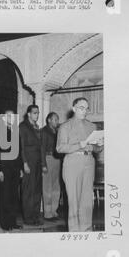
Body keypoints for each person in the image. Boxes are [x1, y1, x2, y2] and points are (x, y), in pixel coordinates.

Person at [56, 97, 104, 232]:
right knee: (74, 200)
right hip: (72, 163)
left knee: (87, 201)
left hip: (89, 163)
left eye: (86, 108)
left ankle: (87, 230)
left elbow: (98, 149)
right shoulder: (65, 126)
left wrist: (97, 146)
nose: (84, 111)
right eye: (81, 108)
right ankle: (75, 232)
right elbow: (60, 148)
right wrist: (79, 145)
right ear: (74, 108)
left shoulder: (92, 126)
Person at [0, 109, 23, 231]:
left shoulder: (15, 131)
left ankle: (12, 221)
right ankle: (5, 223)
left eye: (12, 116)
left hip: (15, 169)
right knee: (5, 196)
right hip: (5, 168)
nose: (10, 118)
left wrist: (21, 168)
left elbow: (19, 151)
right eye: (8, 116)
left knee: (13, 196)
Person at [19, 105, 43, 226]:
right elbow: (21, 147)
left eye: (38, 113)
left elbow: (40, 147)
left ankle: (36, 216)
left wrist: (42, 163)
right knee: (28, 191)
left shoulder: (37, 127)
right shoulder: (23, 127)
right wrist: (24, 163)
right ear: (28, 114)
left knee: (37, 191)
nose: (37, 115)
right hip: (28, 162)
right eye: (34, 113)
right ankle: (28, 218)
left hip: (37, 163)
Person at [41, 112, 62, 221]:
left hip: (57, 160)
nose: (57, 122)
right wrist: (43, 164)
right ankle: (47, 213)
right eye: (55, 119)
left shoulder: (57, 131)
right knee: (47, 188)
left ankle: (54, 210)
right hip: (48, 159)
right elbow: (42, 149)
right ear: (49, 120)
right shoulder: (44, 131)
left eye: (57, 120)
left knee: (56, 187)